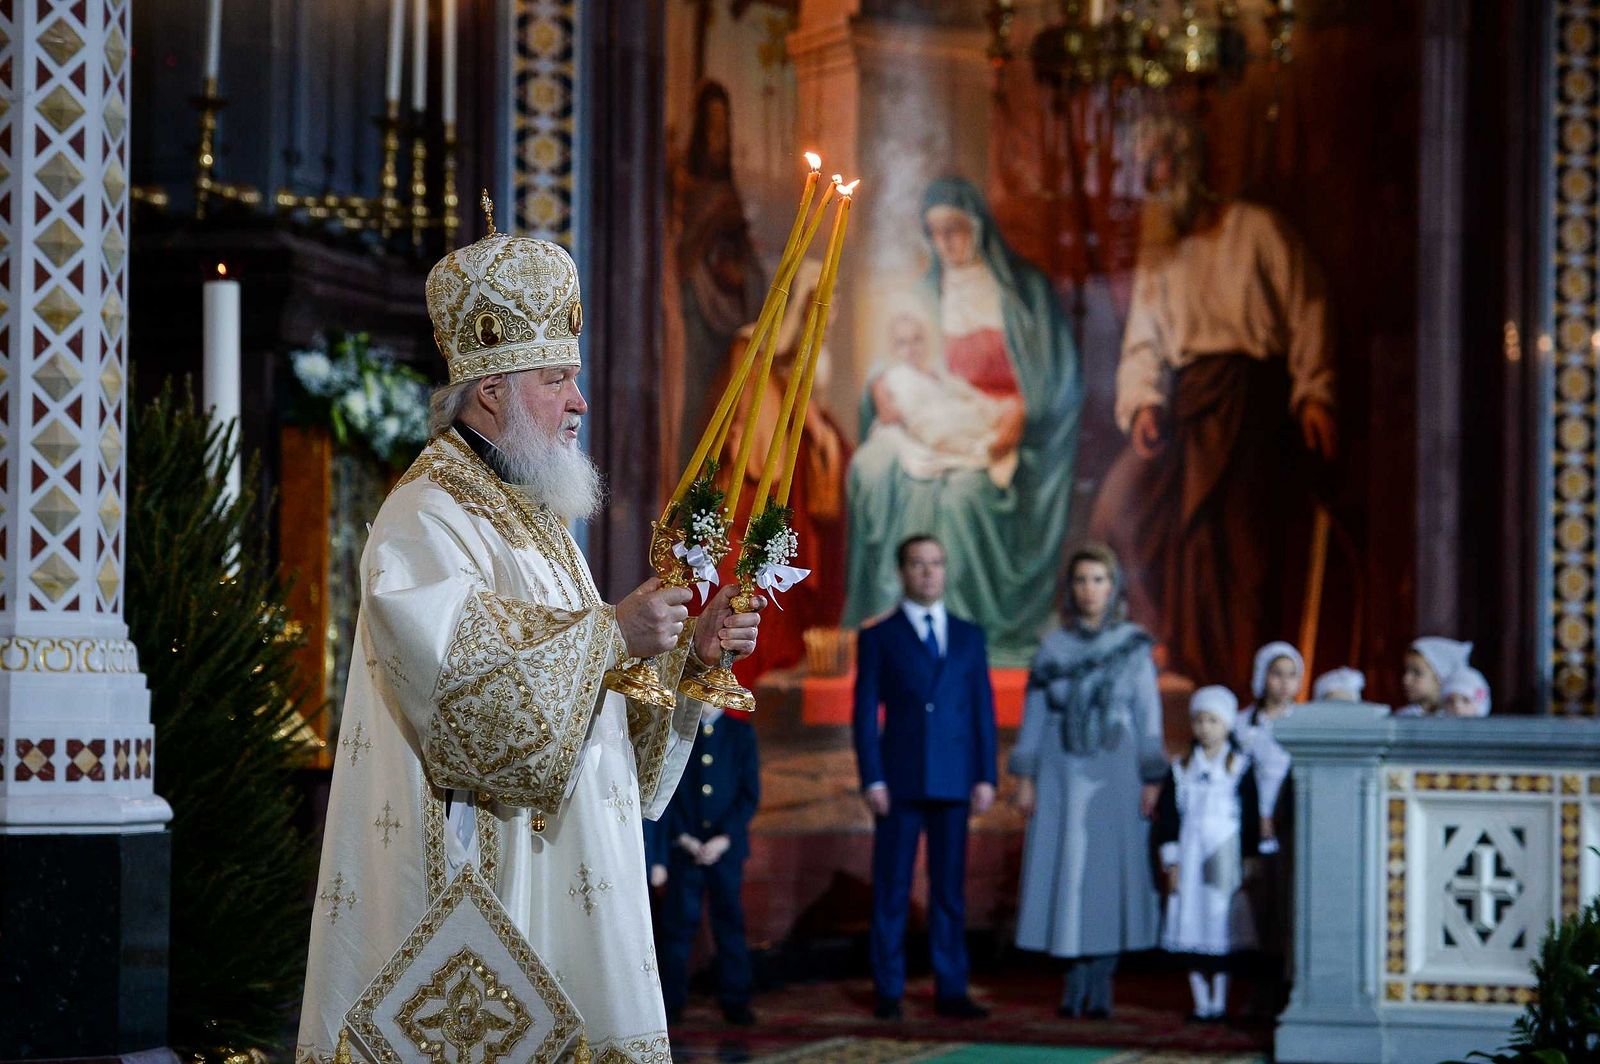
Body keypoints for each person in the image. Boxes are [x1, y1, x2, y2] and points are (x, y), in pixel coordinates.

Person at [295, 213, 765, 1062]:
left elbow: (605, 727)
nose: (580, 402)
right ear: (491, 390)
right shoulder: (425, 513)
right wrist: (611, 630)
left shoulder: (536, 521)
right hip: (491, 888)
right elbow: (457, 682)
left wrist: (688, 654)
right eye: (558, 379)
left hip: (572, 871)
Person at [1089, 114, 1337, 693]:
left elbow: (1309, 309)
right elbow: (1143, 340)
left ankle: (1243, 686)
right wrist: (1144, 403)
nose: (1154, 180)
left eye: (1162, 164)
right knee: (1120, 509)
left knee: (1239, 549)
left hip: (1251, 404)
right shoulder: (1161, 254)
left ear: (1191, 166)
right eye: (1144, 170)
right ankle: (1171, 655)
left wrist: (1315, 393)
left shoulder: (1258, 230)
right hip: (1187, 406)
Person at [844, 177, 1083, 668]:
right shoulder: (923, 290)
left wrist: (1024, 411)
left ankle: (967, 631)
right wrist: (879, 387)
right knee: (872, 467)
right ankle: (892, 622)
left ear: (978, 226)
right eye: (936, 232)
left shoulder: (1024, 291)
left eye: (956, 228)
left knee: (960, 498)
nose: (947, 242)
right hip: (937, 415)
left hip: (1000, 425)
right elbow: (892, 355)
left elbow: (1058, 380)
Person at [1011, 543, 1166, 1019]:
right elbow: (1035, 715)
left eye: (1098, 579)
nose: (1089, 589)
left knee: (1109, 873)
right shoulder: (1052, 648)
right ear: (1070, 589)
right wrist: (1025, 775)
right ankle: (1072, 980)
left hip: (1115, 772)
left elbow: (1148, 714)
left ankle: (1102, 980)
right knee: (1067, 869)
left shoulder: (1133, 646)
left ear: (1113, 586)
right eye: (1081, 580)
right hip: (1061, 771)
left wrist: (1152, 775)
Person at [853, 534, 997, 1020]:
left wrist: (986, 775)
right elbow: (864, 712)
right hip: (899, 781)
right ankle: (888, 990)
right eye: (918, 564)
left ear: (945, 569)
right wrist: (872, 778)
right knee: (892, 888)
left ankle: (951, 988)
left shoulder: (969, 635)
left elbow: (982, 708)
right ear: (902, 571)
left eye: (936, 563)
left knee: (949, 890)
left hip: (956, 780)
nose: (929, 572)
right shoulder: (879, 635)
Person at [715, 259, 852, 684]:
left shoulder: (808, 356)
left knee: (779, 554)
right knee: (740, 554)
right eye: (818, 309)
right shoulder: (752, 345)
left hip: (789, 468)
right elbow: (760, 377)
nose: (825, 321)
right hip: (754, 464)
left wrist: (821, 435)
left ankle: (777, 650)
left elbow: (807, 406)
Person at [1155, 685, 1264, 1023]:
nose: (1205, 728)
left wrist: (1249, 859)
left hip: (1223, 859)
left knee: (1220, 927)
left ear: (1227, 724)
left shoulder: (1239, 768)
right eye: (1199, 720)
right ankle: (1201, 1002)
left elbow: (1249, 817)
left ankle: (1220, 1001)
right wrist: (1171, 860)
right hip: (1190, 858)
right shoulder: (1180, 770)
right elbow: (1169, 819)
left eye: (1213, 721)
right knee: (1193, 927)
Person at [657, 699, 761, 1026]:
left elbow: (749, 794)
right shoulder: (678, 734)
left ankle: (736, 999)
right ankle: (670, 1004)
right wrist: (684, 838)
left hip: (724, 852)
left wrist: (722, 839)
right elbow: (666, 794)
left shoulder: (740, 734)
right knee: (677, 927)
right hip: (685, 850)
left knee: (729, 924)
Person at [1395, 637, 1474, 717]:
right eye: (1406, 671)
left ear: (1441, 678)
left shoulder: (1457, 717)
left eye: (1417, 672)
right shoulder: (1405, 716)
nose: (1406, 680)